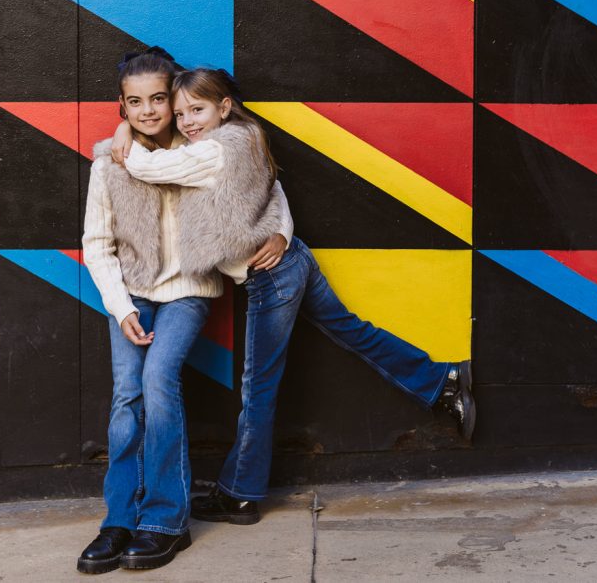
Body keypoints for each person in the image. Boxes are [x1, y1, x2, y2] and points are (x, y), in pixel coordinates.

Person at [110, 67, 476, 527]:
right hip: (291, 260)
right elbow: (274, 189)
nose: (186, 121)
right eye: (180, 113)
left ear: (224, 107)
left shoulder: (214, 151)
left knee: (258, 387)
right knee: (350, 330)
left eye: (197, 110)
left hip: (270, 279)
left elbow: (146, 165)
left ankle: (240, 494)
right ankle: (440, 380)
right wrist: (283, 233)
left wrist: (123, 125)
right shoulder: (241, 136)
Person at [76, 49, 294, 574]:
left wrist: (283, 229)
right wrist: (119, 306)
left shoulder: (204, 146)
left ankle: (165, 520)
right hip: (130, 295)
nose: (149, 111)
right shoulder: (109, 164)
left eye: (158, 99)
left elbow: (263, 185)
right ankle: (119, 519)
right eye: (135, 102)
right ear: (121, 106)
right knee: (126, 397)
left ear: (174, 100)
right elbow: (96, 243)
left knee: (158, 381)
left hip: (189, 290)